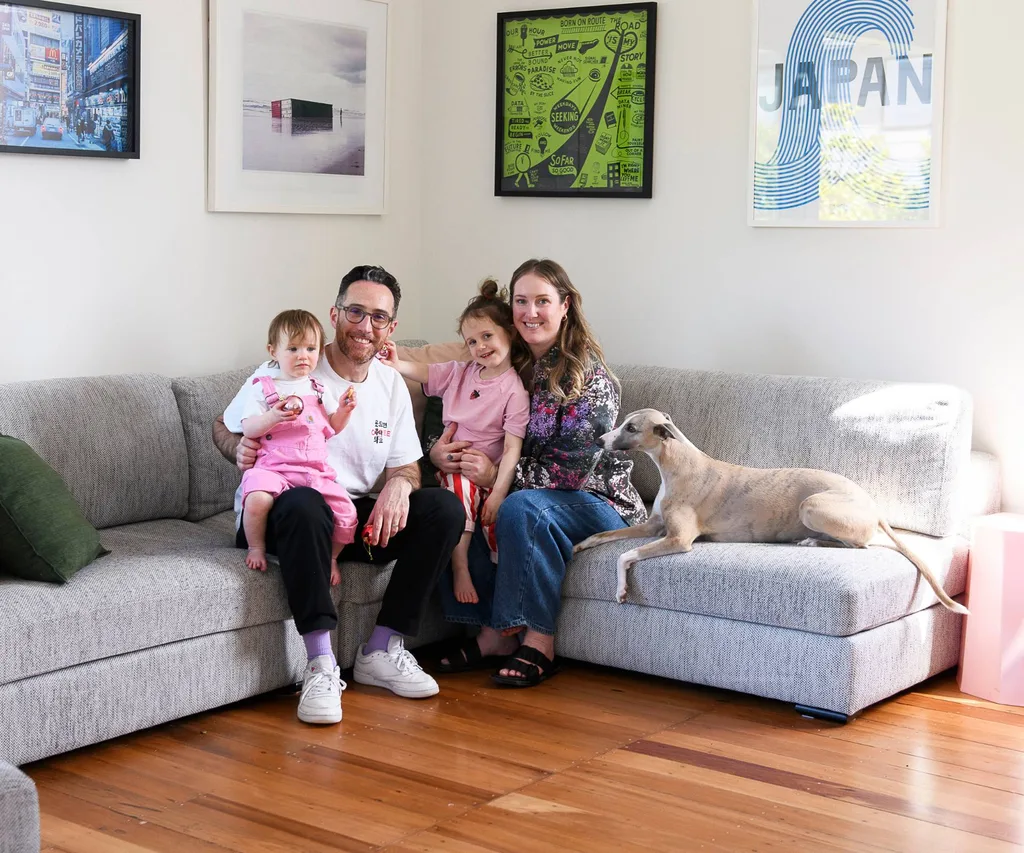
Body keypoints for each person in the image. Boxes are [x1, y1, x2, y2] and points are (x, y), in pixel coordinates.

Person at [214, 265, 464, 724]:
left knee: (444, 508)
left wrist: (400, 487)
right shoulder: (292, 364)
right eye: (355, 311)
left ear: (392, 327)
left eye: (378, 317)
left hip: (350, 517)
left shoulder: (390, 383)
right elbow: (223, 425)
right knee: (307, 506)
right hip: (286, 508)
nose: (365, 326)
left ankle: (380, 650)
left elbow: (406, 463)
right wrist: (240, 446)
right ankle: (321, 664)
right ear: (335, 313)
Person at [432, 259, 646, 687]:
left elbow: (574, 468)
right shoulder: (503, 366)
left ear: (565, 306)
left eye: (542, 301)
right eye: (521, 301)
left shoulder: (588, 375)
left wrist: (497, 476)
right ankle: (491, 634)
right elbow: (470, 428)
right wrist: (439, 455)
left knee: (521, 507)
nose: (530, 312)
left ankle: (537, 640)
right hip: (533, 489)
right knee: (449, 503)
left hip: (598, 501)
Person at [380, 279, 530, 605]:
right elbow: (425, 372)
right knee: (460, 494)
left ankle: (498, 597)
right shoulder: (461, 372)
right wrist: (396, 364)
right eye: (472, 341)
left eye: (487, 336)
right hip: (455, 468)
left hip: (488, 473)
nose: (480, 347)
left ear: (510, 333)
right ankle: (459, 565)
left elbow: (512, 448)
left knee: (497, 526)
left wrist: (499, 492)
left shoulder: (515, 392)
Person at [234, 309, 358, 580]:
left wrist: (344, 411)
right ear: (273, 351)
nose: (303, 355)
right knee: (255, 498)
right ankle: (256, 547)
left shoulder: (318, 389)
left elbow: (331, 428)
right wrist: (272, 416)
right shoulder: (264, 387)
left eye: (310, 348)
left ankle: (332, 558)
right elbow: (248, 427)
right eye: (293, 348)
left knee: (347, 512)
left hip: (314, 470)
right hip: (273, 467)